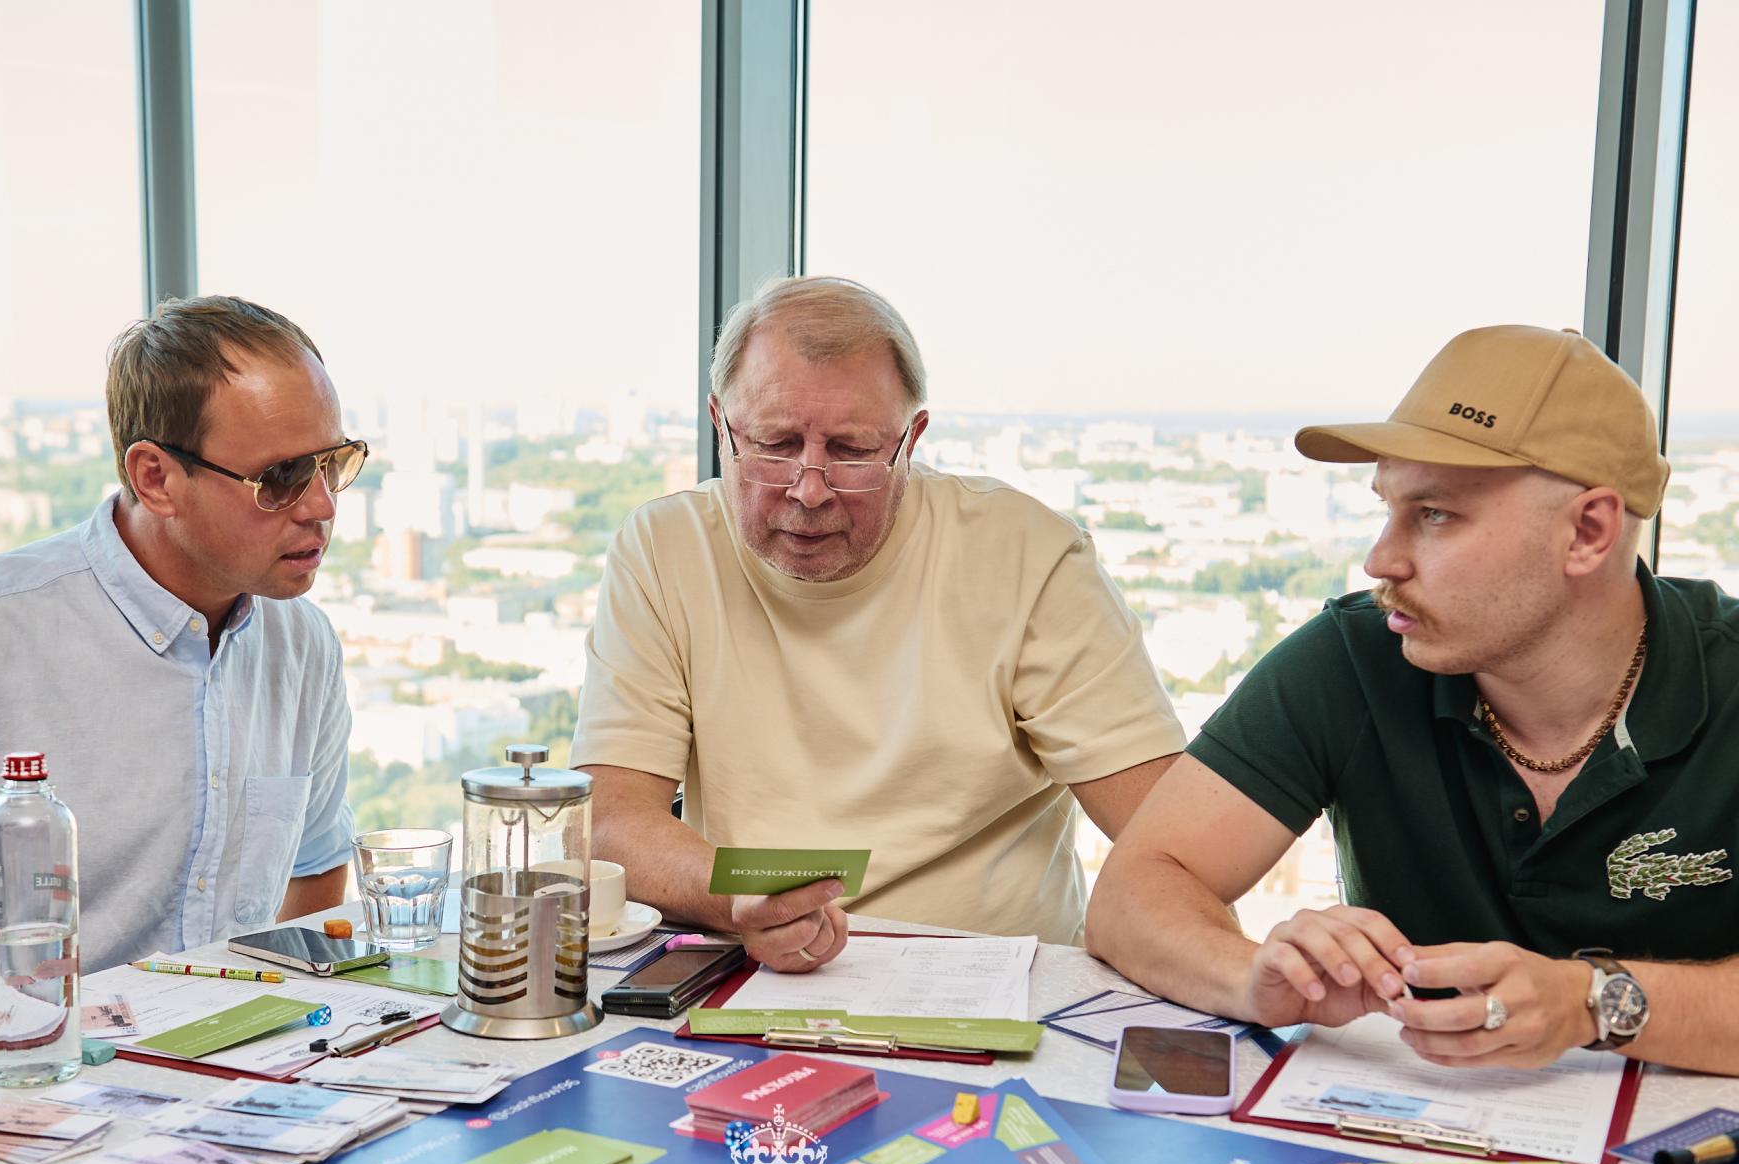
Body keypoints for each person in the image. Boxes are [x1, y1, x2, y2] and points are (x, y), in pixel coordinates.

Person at [1088, 324, 1739, 1075]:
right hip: (1404, 1123)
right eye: (1389, 509)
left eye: (1434, 514)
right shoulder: (1355, 656)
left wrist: (1591, 1002)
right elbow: (1132, 892)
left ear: (1588, 531)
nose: (1380, 559)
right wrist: (1251, 975)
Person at [571, 276, 1184, 970]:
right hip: (756, 971)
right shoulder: (664, 549)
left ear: (911, 439)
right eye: (774, 443)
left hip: (998, 976)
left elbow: (1170, 836)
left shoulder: (1028, 556)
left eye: (851, 451)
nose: (809, 489)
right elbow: (611, 821)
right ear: (720, 425)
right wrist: (741, 900)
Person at [0, 295, 365, 1046]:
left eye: (333, 463)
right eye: (281, 477)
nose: (323, 506)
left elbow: (316, 868)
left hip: (213, 1074)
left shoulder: (302, 645)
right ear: (156, 477)